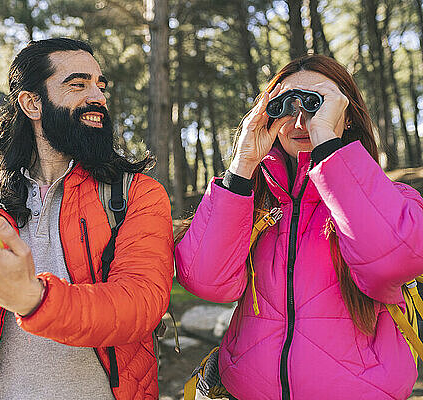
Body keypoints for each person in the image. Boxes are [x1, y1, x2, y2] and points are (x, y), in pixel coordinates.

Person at [0, 38, 174, 400]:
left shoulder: (136, 194)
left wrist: (32, 298)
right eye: (78, 85)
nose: (97, 96)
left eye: (100, 85)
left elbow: (139, 307)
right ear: (32, 103)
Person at [175, 54, 423, 400]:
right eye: (285, 106)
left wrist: (327, 141)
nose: (300, 120)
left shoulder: (393, 200)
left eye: (315, 103)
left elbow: (390, 264)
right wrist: (243, 164)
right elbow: (207, 281)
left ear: (347, 114)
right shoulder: (254, 202)